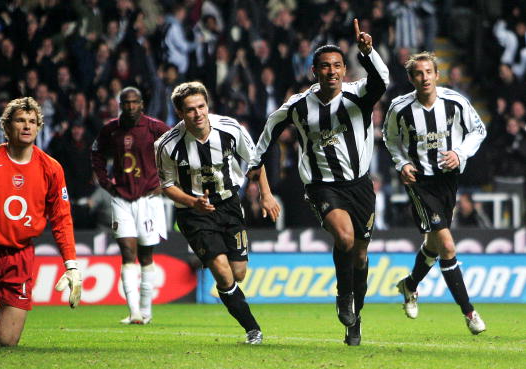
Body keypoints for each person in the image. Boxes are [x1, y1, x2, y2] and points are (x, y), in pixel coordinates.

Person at [248, 19, 389, 346]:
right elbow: (265, 141)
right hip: (322, 187)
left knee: (362, 256)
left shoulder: (358, 97)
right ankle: (343, 296)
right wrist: (263, 189)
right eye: (325, 66)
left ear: (344, 69)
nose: (332, 72)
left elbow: (382, 82)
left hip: (360, 185)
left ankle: (355, 319)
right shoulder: (297, 106)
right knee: (345, 236)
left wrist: (368, 54)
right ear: (314, 71)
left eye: (338, 66)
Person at [155, 81, 280, 344]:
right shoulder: (166, 145)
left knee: (238, 272)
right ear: (180, 113)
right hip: (194, 212)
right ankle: (252, 329)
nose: (198, 113)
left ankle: (219, 272)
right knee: (223, 273)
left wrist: (266, 195)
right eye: (190, 109)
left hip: (229, 205)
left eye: (201, 106)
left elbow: (256, 161)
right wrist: (192, 201)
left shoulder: (231, 129)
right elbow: (166, 185)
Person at [0, 97, 82, 348]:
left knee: (6, 343)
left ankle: (1, 322)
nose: (27, 126)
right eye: (20, 120)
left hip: (19, 258)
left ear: (38, 127)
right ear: (6, 126)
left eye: (32, 121)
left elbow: (61, 219)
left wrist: (72, 265)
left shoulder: (51, 168)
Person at [383, 51, 487, 335]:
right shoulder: (399, 108)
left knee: (432, 244)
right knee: (447, 246)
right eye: (418, 73)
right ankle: (470, 313)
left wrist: (459, 153)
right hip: (419, 182)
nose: (424, 77)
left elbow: (478, 131)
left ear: (437, 75)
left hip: (447, 182)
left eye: (429, 72)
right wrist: (402, 163)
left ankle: (410, 285)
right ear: (411, 78)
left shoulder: (455, 101)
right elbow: (389, 139)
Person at [91, 87, 169, 325]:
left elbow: (177, 151)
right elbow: (96, 155)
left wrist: (166, 182)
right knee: (127, 253)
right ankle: (134, 312)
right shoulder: (110, 129)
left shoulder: (155, 127)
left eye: (135, 102)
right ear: (120, 104)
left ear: (142, 104)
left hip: (148, 199)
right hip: (122, 198)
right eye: (126, 103)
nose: (131, 107)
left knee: (146, 255)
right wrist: (106, 183)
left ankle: (146, 311)